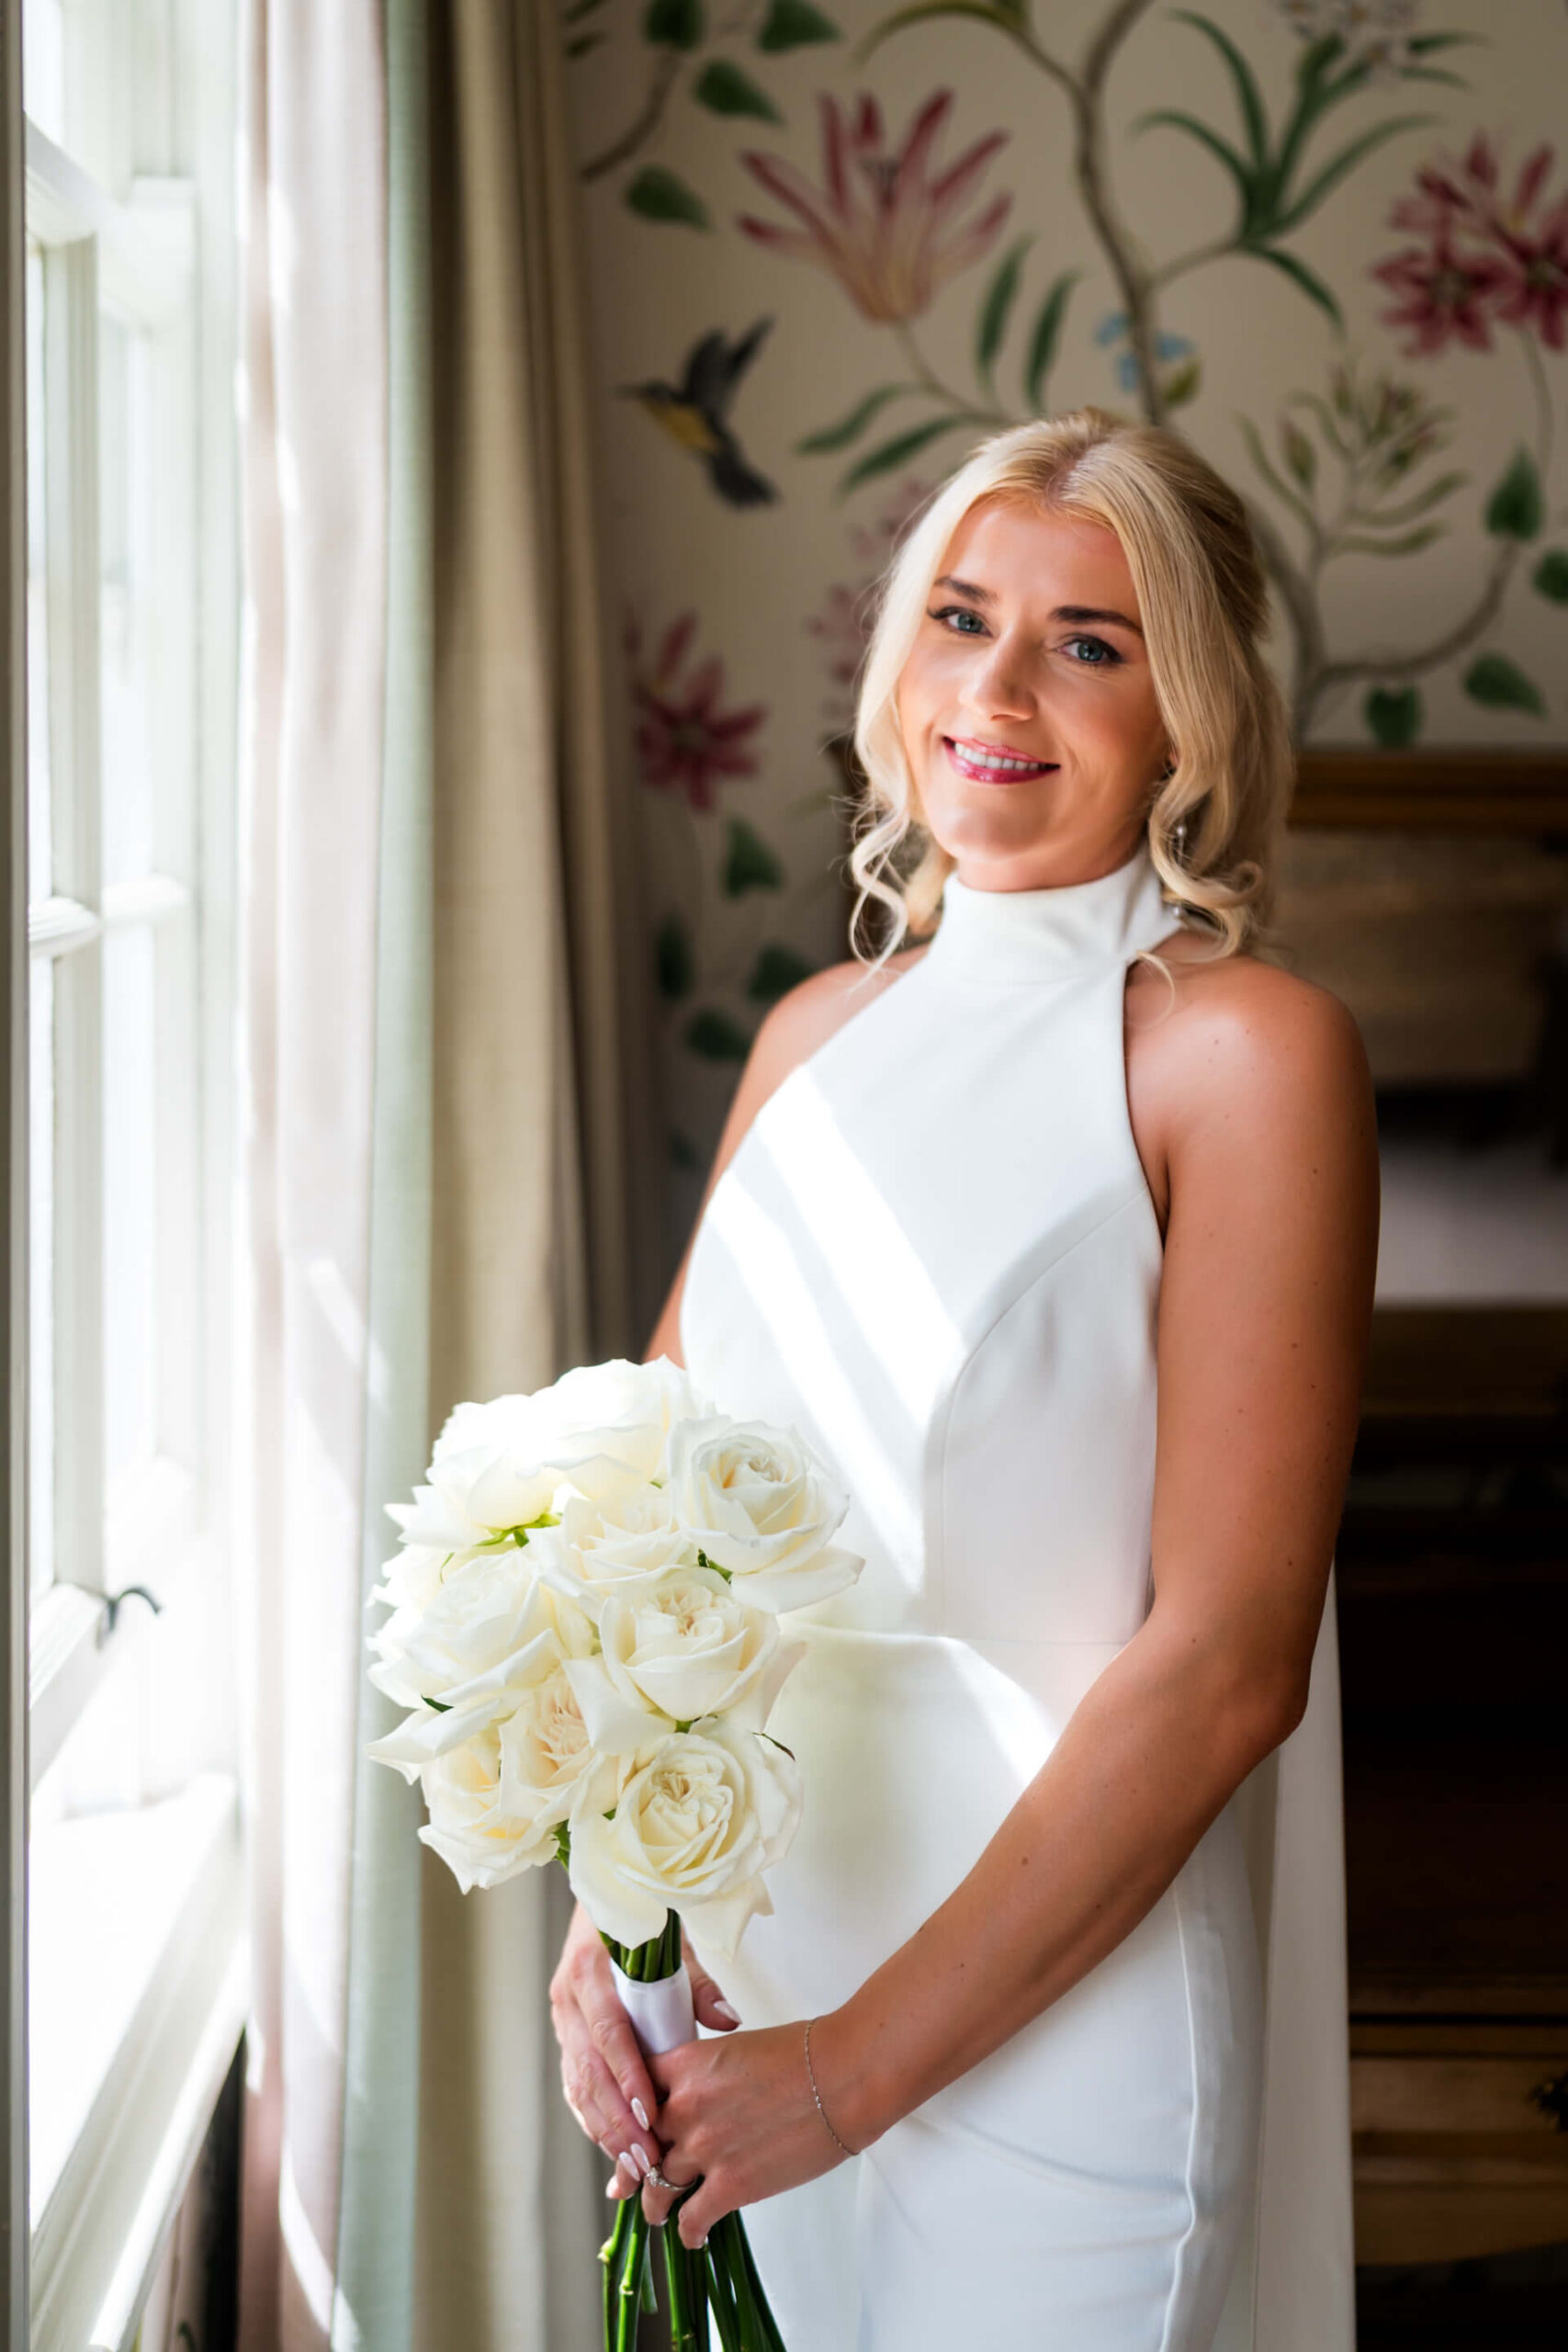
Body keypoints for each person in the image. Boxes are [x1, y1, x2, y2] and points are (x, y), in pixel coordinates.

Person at [548, 406, 1379, 2348]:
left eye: (1087, 641)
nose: (994, 687)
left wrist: (857, 2070)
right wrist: (613, 1921)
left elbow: (1228, 1660)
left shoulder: (1242, 1055)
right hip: (745, 2016)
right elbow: (647, 1537)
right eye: (958, 614)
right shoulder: (810, 1034)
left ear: (1187, 710)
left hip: (1044, 2040)